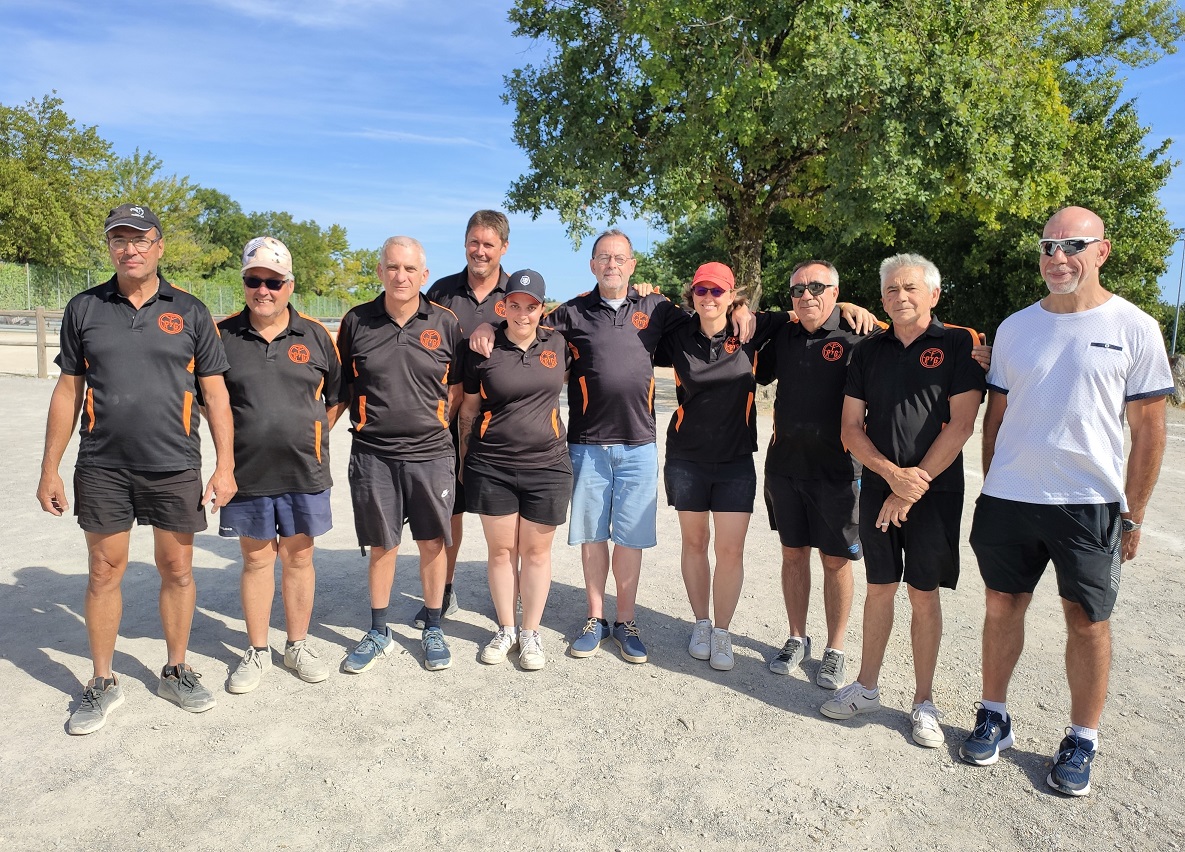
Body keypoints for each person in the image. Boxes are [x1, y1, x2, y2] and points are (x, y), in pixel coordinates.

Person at [959, 206, 1172, 796]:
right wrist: (994, 483)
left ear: (1102, 251)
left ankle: (1082, 737)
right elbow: (995, 419)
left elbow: (1149, 431)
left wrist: (1134, 511)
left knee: (1087, 622)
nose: (1058, 257)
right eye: (1049, 245)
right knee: (1001, 606)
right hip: (1010, 499)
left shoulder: (1136, 327)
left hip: (1090, 503)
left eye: (1072, 245)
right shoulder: (1015, 328)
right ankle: (993, 714)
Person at [37, 203, 236, 734]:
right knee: (104, 571)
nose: (130, 249)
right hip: (103, 465)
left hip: (175, 465)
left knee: (177, 570)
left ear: (159, 246)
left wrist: (225, 467)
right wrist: (49, 469)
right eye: (119, 240)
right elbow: (68, 390)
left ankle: (176, 669)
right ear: (110, 248)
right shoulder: (84, 309)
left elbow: (216, 395)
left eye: (140, 238)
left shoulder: (191, 312)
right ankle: (102, 682)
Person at [820, 253, 984, 749]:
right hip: (877, 488)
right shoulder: (868, 352)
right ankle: (866, 688)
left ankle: (923, 703)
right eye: (891, 290)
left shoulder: (958, 344)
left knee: (923, 593)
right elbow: (850, 429)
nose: (900, 296)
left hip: (936, 493)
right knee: (880, 588)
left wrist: (911, 487)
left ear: (934, 294)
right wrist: (891, 477)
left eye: (910, 288)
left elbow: (962, 424)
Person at [217, 237, 345, 693]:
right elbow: (209, 405)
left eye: (273, 281)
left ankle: (297, 644)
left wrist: (309, 434)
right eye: (254, 280)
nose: (263, 290)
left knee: (299, 557)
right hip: (245, 472)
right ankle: (256, 650)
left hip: (303, 471)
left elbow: (337, 397)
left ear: (289, 285)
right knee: (255, 561)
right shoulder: (222, 335)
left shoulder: (314, 335)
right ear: (245, 283)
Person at [336, 236, 464, 673]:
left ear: (423, 275)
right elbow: (343, 387)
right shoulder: (356, 321)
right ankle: (379, 630)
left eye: (410, 269)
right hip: (373, 453)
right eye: (393, 267)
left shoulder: (445, 323)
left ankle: (432, 625)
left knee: (432, 543)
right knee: (382, 545)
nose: (401, 276)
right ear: (380, 272)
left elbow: (458, 387)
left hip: (431, 455)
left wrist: (434, 423)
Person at [655, 262, 788, 670]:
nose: (708, 298)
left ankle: (723, 632)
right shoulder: (676, 331)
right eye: (701, 291)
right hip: (686, 456)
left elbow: (806, 313)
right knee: (695, 544)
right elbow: (637, 315)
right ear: (691, 295)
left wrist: (854, 307)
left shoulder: (753, 328)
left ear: (733, 296)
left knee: (730, 550)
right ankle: (701, 623)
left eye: (718, 292)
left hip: (734, 460)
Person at [761, 260, 881, 689]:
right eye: (797, 290)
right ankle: (797, 637)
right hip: (785, 468)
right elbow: (748, 326)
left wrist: (857, 308)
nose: (806, 295)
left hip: (839, 473)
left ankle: (835, 649)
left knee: (835, 562)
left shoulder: (861, 334)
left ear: (835, 291)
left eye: (817, 287)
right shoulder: (783, 336)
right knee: (793, 555)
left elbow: (911, 332)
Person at [457, 269, 572, 670]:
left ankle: (530, 632)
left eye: (532, 306)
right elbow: (469, 410)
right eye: (515, 305)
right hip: (494, 465)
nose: (523, 314)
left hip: (548, 465)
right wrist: (463, 459)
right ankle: (505, 628)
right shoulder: (482, 348)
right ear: (502, 305)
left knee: (536, 553)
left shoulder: (558, 342)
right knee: (502, 551)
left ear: (543, 308)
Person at [423, 210, 512, 628]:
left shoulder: (518, 295)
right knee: (449, 512)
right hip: (448, 419)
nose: (480, 250)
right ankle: (443, 590)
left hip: (503, 423)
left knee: (505, 522)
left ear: (503, 248)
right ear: (465, 244)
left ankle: (507, 599)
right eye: (474, 242)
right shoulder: (441, 291)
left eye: (489, 244)